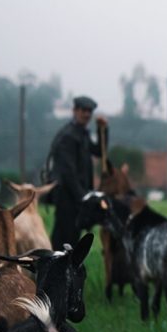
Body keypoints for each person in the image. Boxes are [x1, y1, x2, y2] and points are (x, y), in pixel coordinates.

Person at [47, 95, 106, 249]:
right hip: (67, 197)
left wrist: (102, 130)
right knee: (64, 241)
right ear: (75, 111)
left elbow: (100, 152)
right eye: (83, 110)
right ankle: (57, 271)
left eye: (89, 111)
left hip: (77, 198)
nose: (86, 114)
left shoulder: (82, 134)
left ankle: (67, 271)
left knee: (73, 241)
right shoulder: (68, 136)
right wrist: (84, 197)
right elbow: (68, 173)